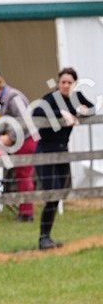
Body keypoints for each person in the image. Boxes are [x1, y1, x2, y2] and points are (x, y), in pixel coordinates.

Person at [31, 67, 94, 250]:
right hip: (45, 151)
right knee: (53, 194)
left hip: (62, 151)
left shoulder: (77, 96)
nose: (66, 85)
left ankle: (47, 237)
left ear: (74, 84)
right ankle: (43, 238)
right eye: (63, 82)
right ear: (58, 83)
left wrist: (82, 110)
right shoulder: (51, 98)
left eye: (69, 82)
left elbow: (90, 108)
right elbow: (36, 113)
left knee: (60, 193)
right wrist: (61, 113)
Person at [0, 75, 37, 222]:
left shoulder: (14, 98)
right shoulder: (6, 100)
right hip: (19, 141)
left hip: (26, 140)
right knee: (21, 175)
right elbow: (1, 126)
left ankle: (27, 213)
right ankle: (24, 211)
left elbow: (25, 120)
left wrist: (11, 137)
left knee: (24, 175)